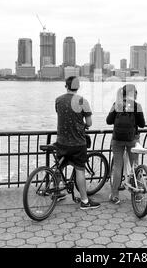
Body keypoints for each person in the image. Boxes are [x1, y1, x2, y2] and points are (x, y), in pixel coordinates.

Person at [55, 76, 100, 210]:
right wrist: (83, 125)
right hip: (77, 142)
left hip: (62, 141)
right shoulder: (82, 101)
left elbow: (60, 115)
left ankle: (56, 192)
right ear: (78, 87)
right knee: (80, 169)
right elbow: (89, 123)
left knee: (59, 167)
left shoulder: (58, 100)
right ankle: (85, 201)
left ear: (66, 86)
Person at [106, 84, 145, 204]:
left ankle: (115, 196)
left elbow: (108, 121)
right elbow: (142, 124)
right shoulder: (136, 106)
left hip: (117, 140)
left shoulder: (116, 104)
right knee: (135, 166)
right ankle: (137, 194)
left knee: (117, 166)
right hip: (132, 139)